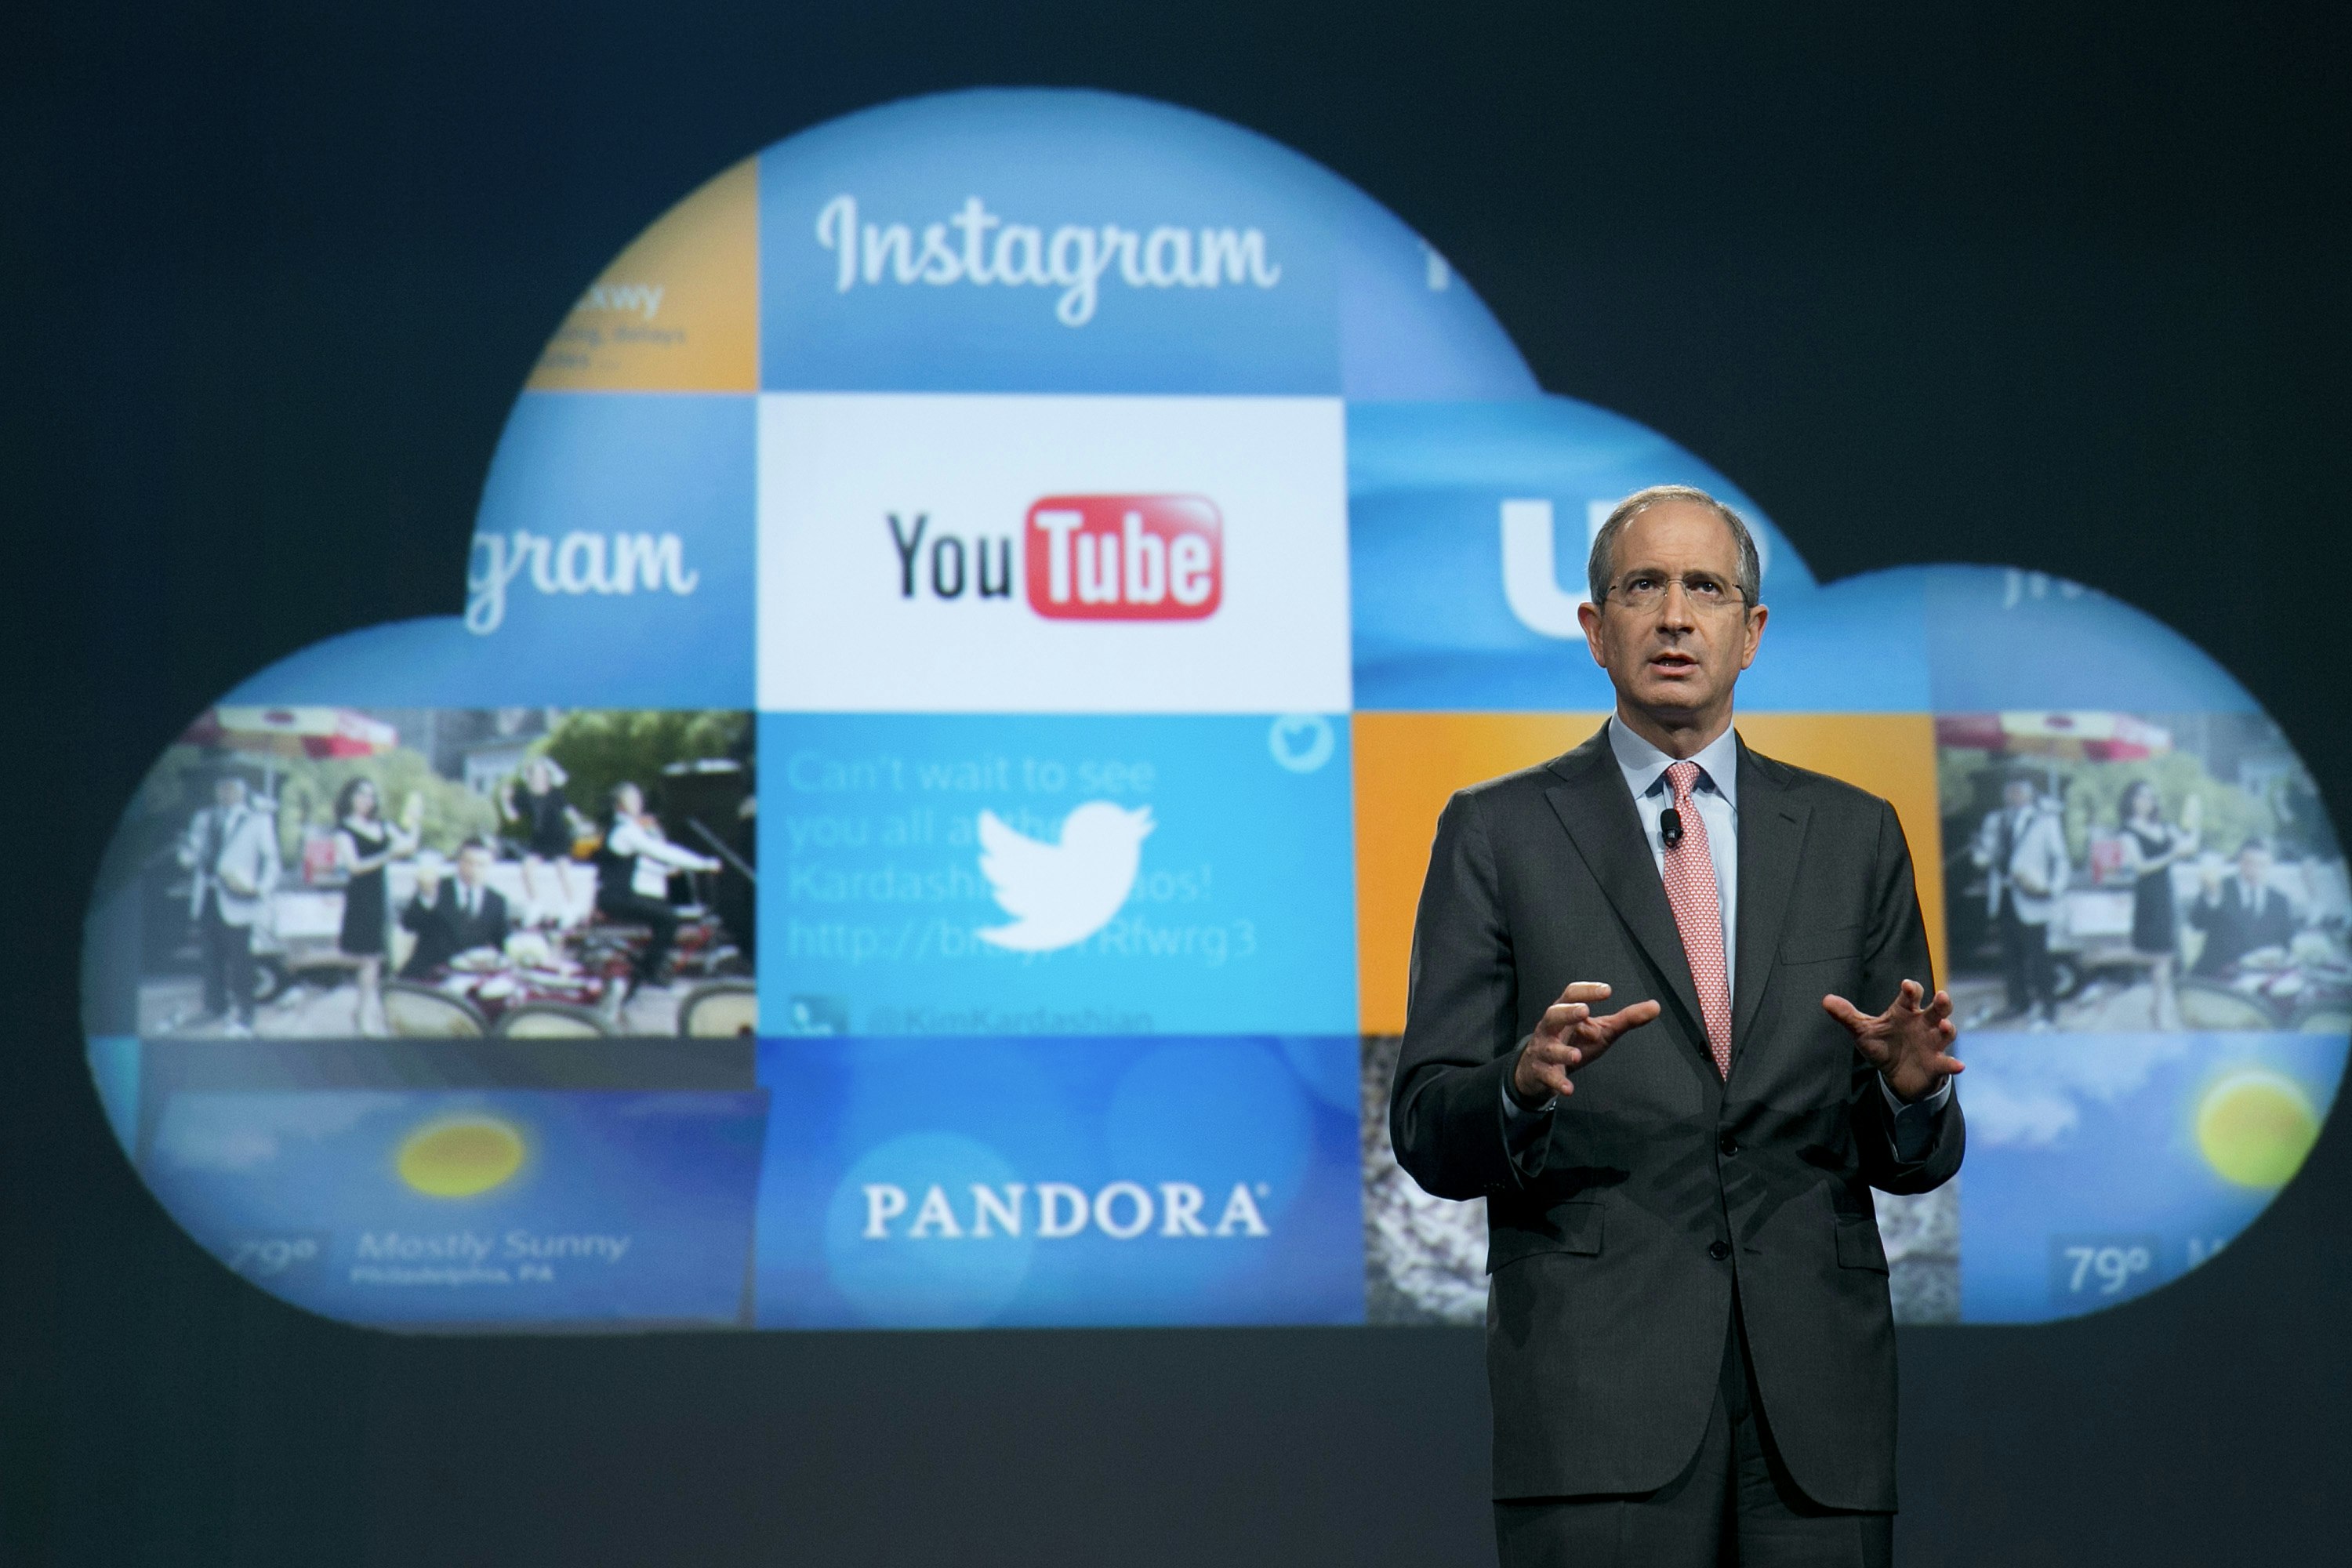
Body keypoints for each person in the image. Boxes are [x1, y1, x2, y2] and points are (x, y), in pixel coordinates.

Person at [1389, 485, 1963, 1566]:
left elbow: (1915, 1159)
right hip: (1597, 1406)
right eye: (1642, 585)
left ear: (1750, 632)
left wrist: (1910, 1090)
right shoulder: (1496, 832)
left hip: (1817, 1420)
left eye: (1706, 587)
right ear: (1594, 630)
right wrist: (1518, 1083)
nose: (1673, 615)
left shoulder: (1856, 835)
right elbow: (1425, 1124)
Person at [176, 769, 281, 1035]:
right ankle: (215, 1006)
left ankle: (246, 1012)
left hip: (239, 898)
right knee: (210, 957)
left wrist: (259, 888)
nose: (226, 793)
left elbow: (272, 861)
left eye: (233, 788)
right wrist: (186, 854)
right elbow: (191, 855)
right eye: (222, 787)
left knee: (241, 960)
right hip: (208, 896)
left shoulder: (257, 820)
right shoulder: (204, 818)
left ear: (244, 790)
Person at [593, 781, 721, 989]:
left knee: (662, 911)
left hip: (617, 894)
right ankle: (650, 969)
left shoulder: (624, 829)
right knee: (668, 919)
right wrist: (703, 864)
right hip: (616, 897)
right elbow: (660, 851)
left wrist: (665, 871)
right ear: (620, 804)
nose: (638, 802)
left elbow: (638, 862)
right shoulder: (626, 830)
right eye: (631, 798)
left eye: (638, 798)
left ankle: (644, 963)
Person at [1969, 774, 2070, 1025]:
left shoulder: (2045, 821)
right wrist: (1980, 852)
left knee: (2038, 956)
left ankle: (2048, 1008)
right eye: (2010, 790)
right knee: (2010, 956)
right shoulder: (1996, 820)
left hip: (2032, 897)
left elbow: (2060, 860)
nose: (2014, 795)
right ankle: (2018, 1003)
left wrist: (2051, 887)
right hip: (2003, 897)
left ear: (2030, 793)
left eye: (2019, 790)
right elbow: (1984, 857)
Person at [332, 778, 419, 1035]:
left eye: (371, 795)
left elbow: (407, 846)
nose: (366, 800)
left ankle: (364, 1011)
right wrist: (386, 856)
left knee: (377, 958)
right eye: (361, 794)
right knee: (368, 957)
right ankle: (363, 1013)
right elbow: (355, 866)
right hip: (361, 896)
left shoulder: (381, 825)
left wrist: (414, 822)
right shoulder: (343, 830)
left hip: (380, 895)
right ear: (349, 797)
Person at [2114, 781, 2198, 1026]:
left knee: (2165, 954)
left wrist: (2194, 826)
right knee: (2153, 952)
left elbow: (2188, 847)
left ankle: (2157, 1007)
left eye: (2150, 797)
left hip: (2165, 893)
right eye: (2141, 796)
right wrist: (2171, 855)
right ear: (2131, 800)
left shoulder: (2164, 827)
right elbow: (2141, 867)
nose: (2146, 801)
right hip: (2148, 895)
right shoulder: (2126, 832)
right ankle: (2155, 1006)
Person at [397, 839, 511, 980]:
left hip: (471, 979)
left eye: (480, 865)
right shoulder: (435, 888)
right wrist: (426, 898)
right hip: (428, 975)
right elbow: (409, 924)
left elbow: (504, 945)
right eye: (468, 862)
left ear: (489, 866)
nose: (473, 869)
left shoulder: (496, 902)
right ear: (459, 862)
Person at [2188, 837, 2298, 978]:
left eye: (2262, 865)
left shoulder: (2280, 901)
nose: (2256, 870)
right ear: (2240, 863)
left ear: (2270, 865)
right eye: (2250, 863)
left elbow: (2286, 945)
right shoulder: (2218, 887)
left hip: (2261, 978)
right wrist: (2212, 897)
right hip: (2217, 976)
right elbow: (2197, 924)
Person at [501, 754, 586, 927]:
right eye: (535, 775)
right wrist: (504, 800)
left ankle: (572, 904)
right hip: (540, 840)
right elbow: (512, 818)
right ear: (530, 777)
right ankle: (535, 904)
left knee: (563, 870)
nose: (539, 779)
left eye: (542, 775)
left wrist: (581, 825)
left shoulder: (555, 794)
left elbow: (569, 813)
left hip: (558, 837)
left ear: (548, 777)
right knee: (527, 868)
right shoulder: (525, 796)